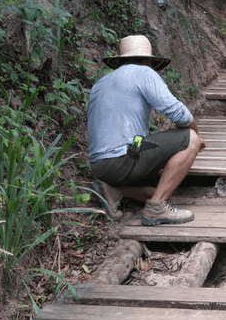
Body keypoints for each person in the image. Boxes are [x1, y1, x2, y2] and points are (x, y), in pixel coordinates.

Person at [86, 35, 208, 225]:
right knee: (190, 139)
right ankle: (156, 208)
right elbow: (182, 116)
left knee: (161, 185)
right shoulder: (144, 73)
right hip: (122, 159)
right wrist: (196, 137)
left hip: (99, 165)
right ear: (149, 61)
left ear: (121, 60)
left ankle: (116, 191)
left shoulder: (100, 82)